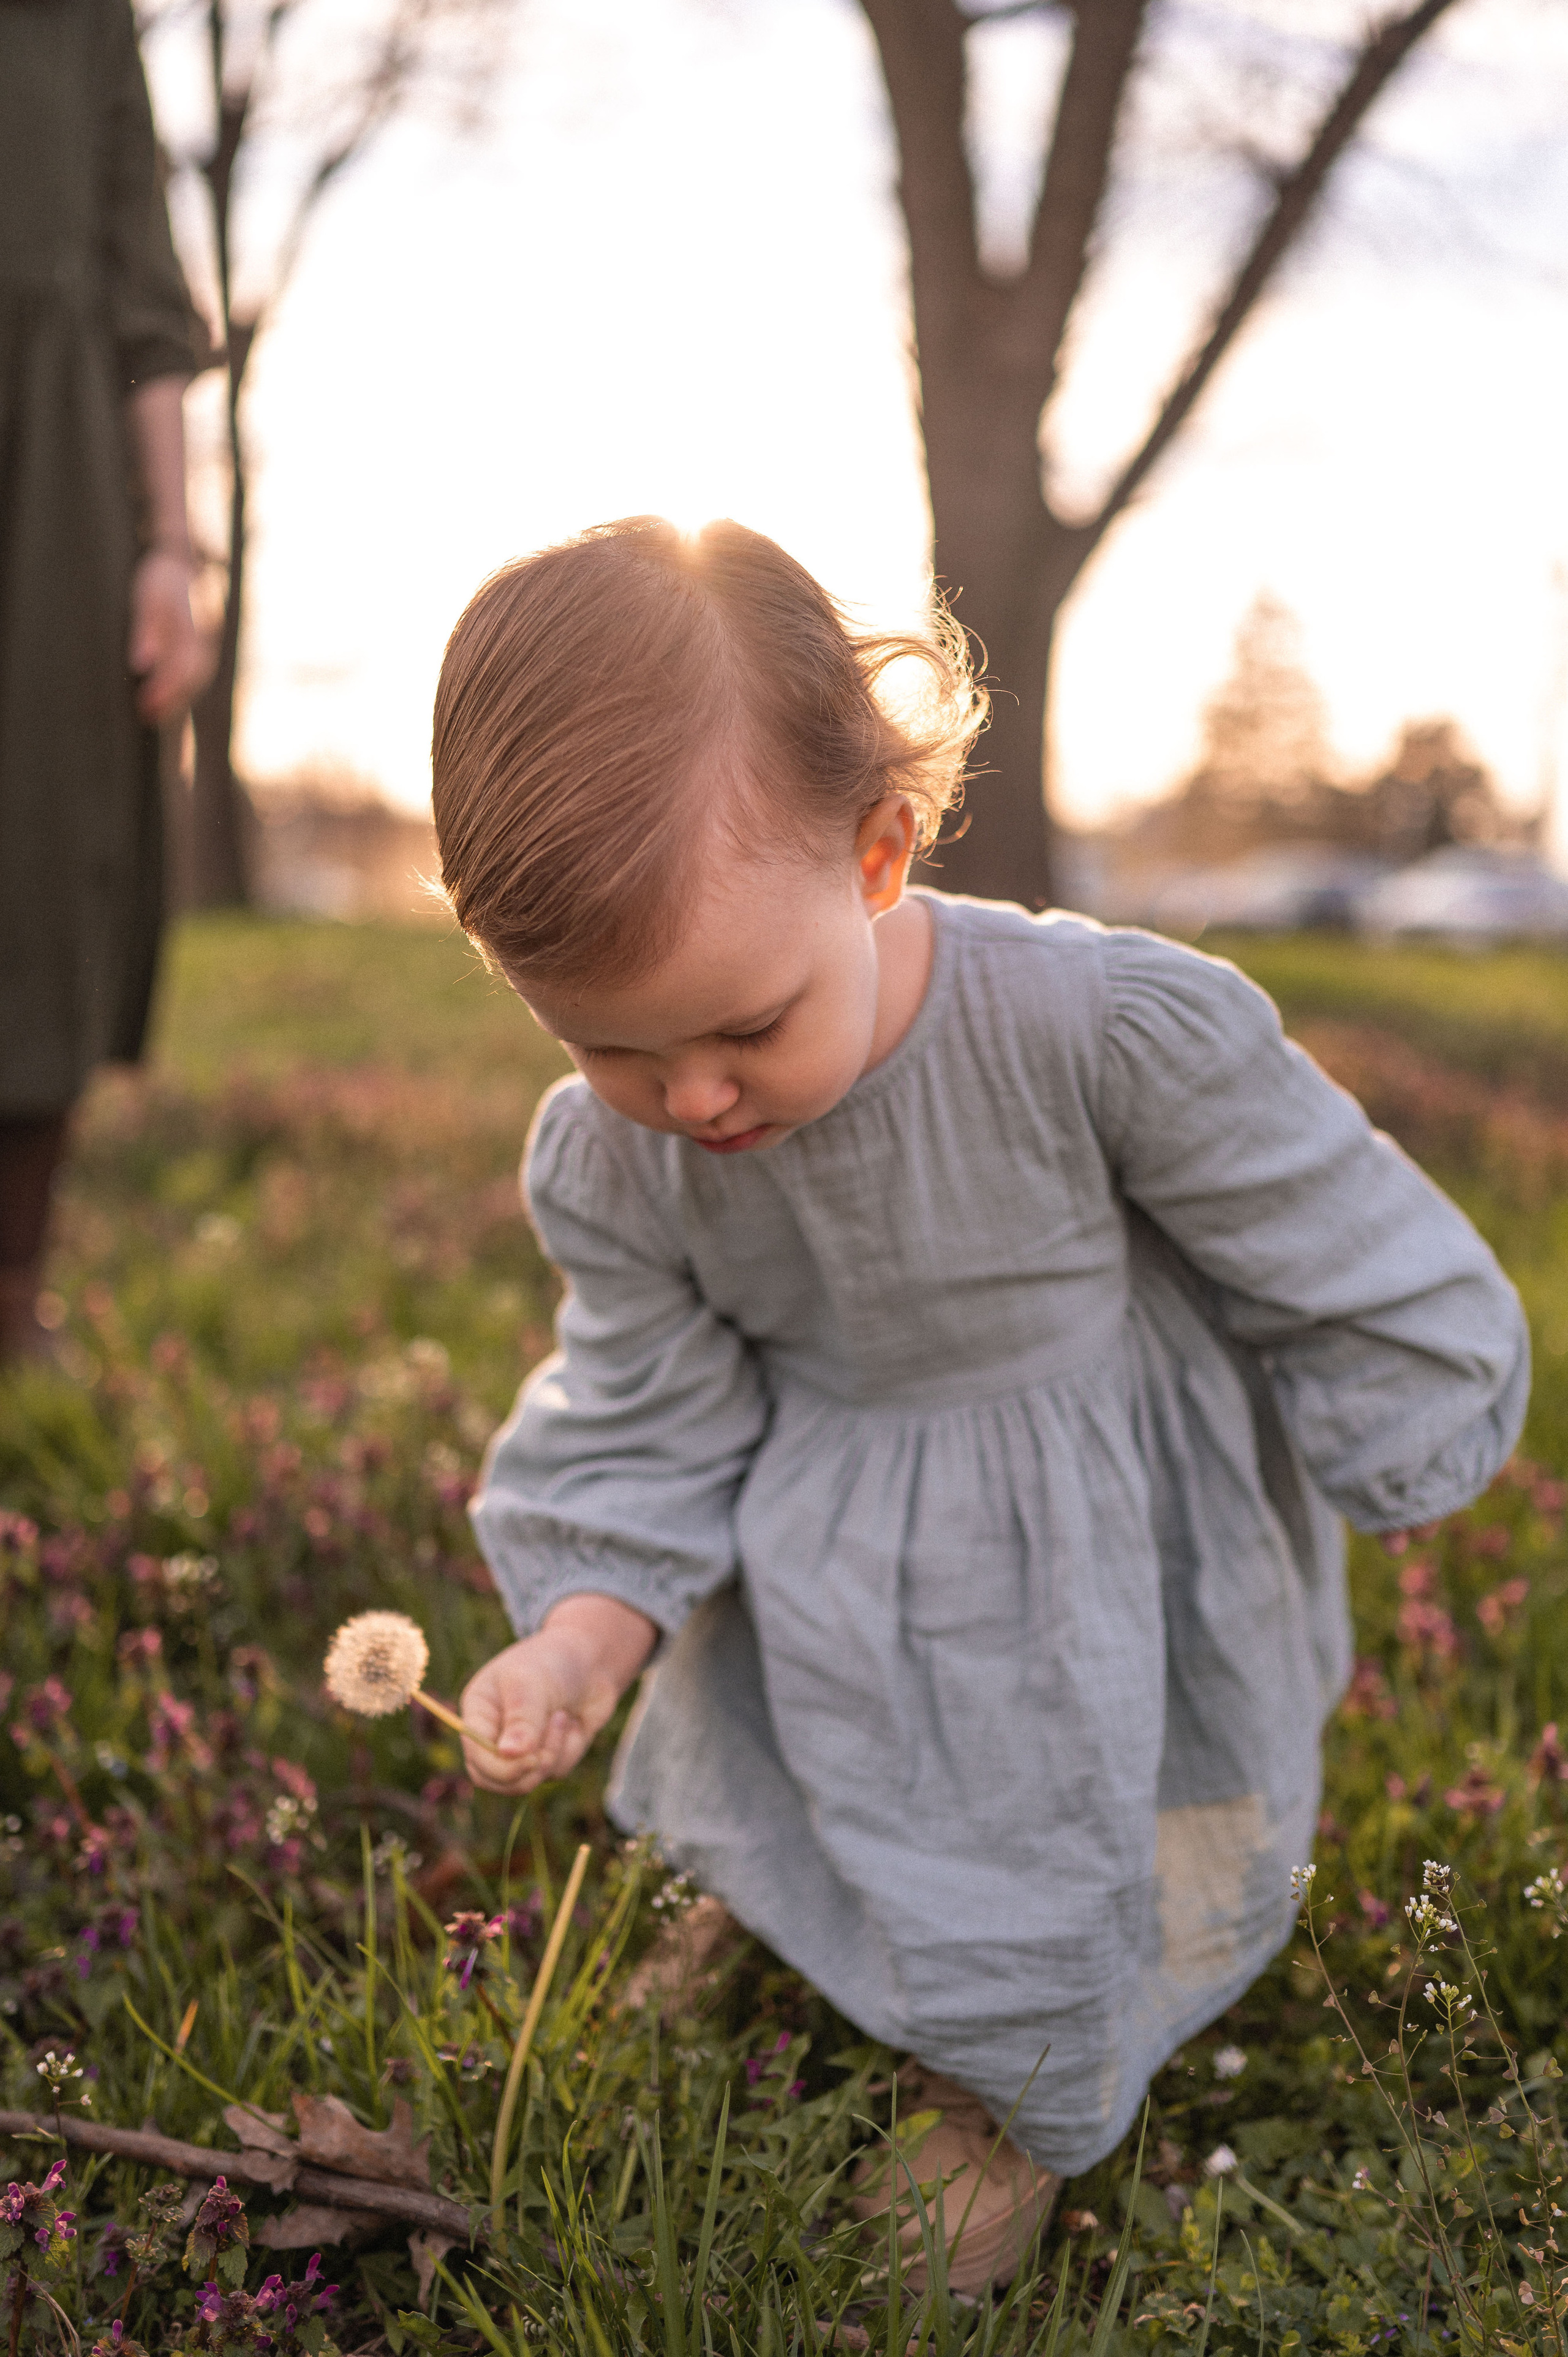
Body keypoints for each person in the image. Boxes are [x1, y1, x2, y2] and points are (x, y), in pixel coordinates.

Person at [430, 516, 1528, 2293]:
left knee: (1050, 1827)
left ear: (878, 854)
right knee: (795, 1743)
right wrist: (574, 1644)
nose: (693, 1096)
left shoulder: (1090, 1027)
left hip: (1080, 1534)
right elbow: (648, 1414)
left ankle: (1003, 2091)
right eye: (610, 1049)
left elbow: (1312, 1204)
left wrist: (1401, 1402)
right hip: (828, 1531)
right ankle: (789, 1908)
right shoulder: (614, 1164)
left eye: (741, 1025)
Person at [0, 0, 210, 1364]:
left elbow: (147, 308)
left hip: (57, 485)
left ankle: (10, 1291)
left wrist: (172, 550)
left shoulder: (81, 21)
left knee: (47, 850)